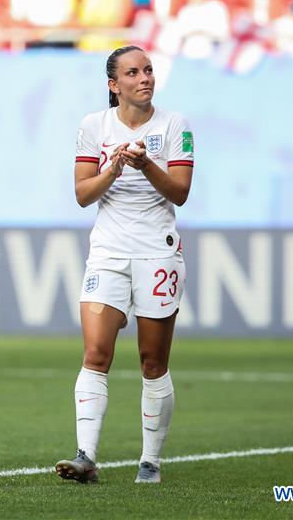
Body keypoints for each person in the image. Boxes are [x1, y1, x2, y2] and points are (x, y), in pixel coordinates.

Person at [56, 46, 194, 485]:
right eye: (133, 73)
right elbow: (82, 193)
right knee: (95, 353)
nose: (144, 78)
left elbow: (180, 192)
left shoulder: (174, 125)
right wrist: (114, 168)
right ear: (114, 85)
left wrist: (146, 163)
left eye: (148, 70)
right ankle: (85, 457)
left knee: (152, 361)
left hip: (157, 251)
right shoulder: (93, 127)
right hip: (108, 253)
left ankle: (150, 461)